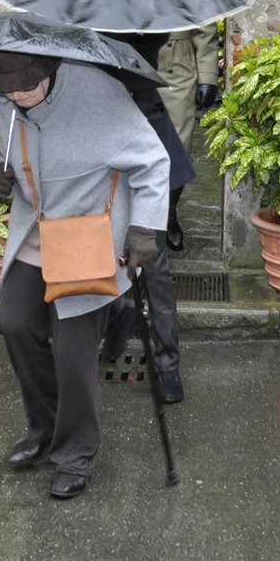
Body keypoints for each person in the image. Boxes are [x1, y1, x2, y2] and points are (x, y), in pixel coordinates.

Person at [0, 53, 169, 498]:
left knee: (72, 351)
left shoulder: (99, 92)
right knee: (16, 323)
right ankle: (44, 428)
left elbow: (153, 161)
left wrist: (144, 227)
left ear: (49, 70)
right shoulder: (7, 100)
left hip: (88, 231)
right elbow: (6, 150)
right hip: (38, 227)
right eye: (7, 86)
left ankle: (75, 454)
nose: (16, 94)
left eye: (25, 84)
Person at [98, 32, 195, 404]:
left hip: (144, 130)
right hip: (99, 137)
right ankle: (119, 315)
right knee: (99, 248)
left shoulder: (147, 7)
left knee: (153, 265)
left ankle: (168, 360)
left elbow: (155, 44)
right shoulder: (85, 3)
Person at [155, 24, 221, 249]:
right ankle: (143, 218)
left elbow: (204, 24)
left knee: (178, 145)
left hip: (178, 61)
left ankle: (169, 214)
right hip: (131, 54)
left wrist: (207, 77)